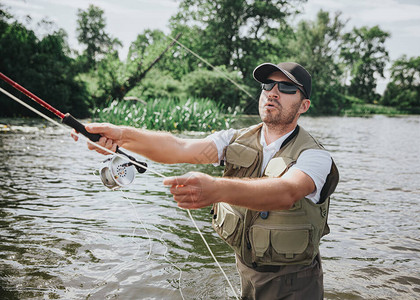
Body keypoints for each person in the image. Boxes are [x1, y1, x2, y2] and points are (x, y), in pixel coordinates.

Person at [73, 62, 339, 300]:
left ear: (304, 105)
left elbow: (287, 192)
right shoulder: (234, 139)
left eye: (286, 88)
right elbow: (179, 148)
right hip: (246, 270)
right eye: (267, 84)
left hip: (296, 284)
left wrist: (216, 189)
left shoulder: (315, 156)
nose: (272, 92)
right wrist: (120, 135)